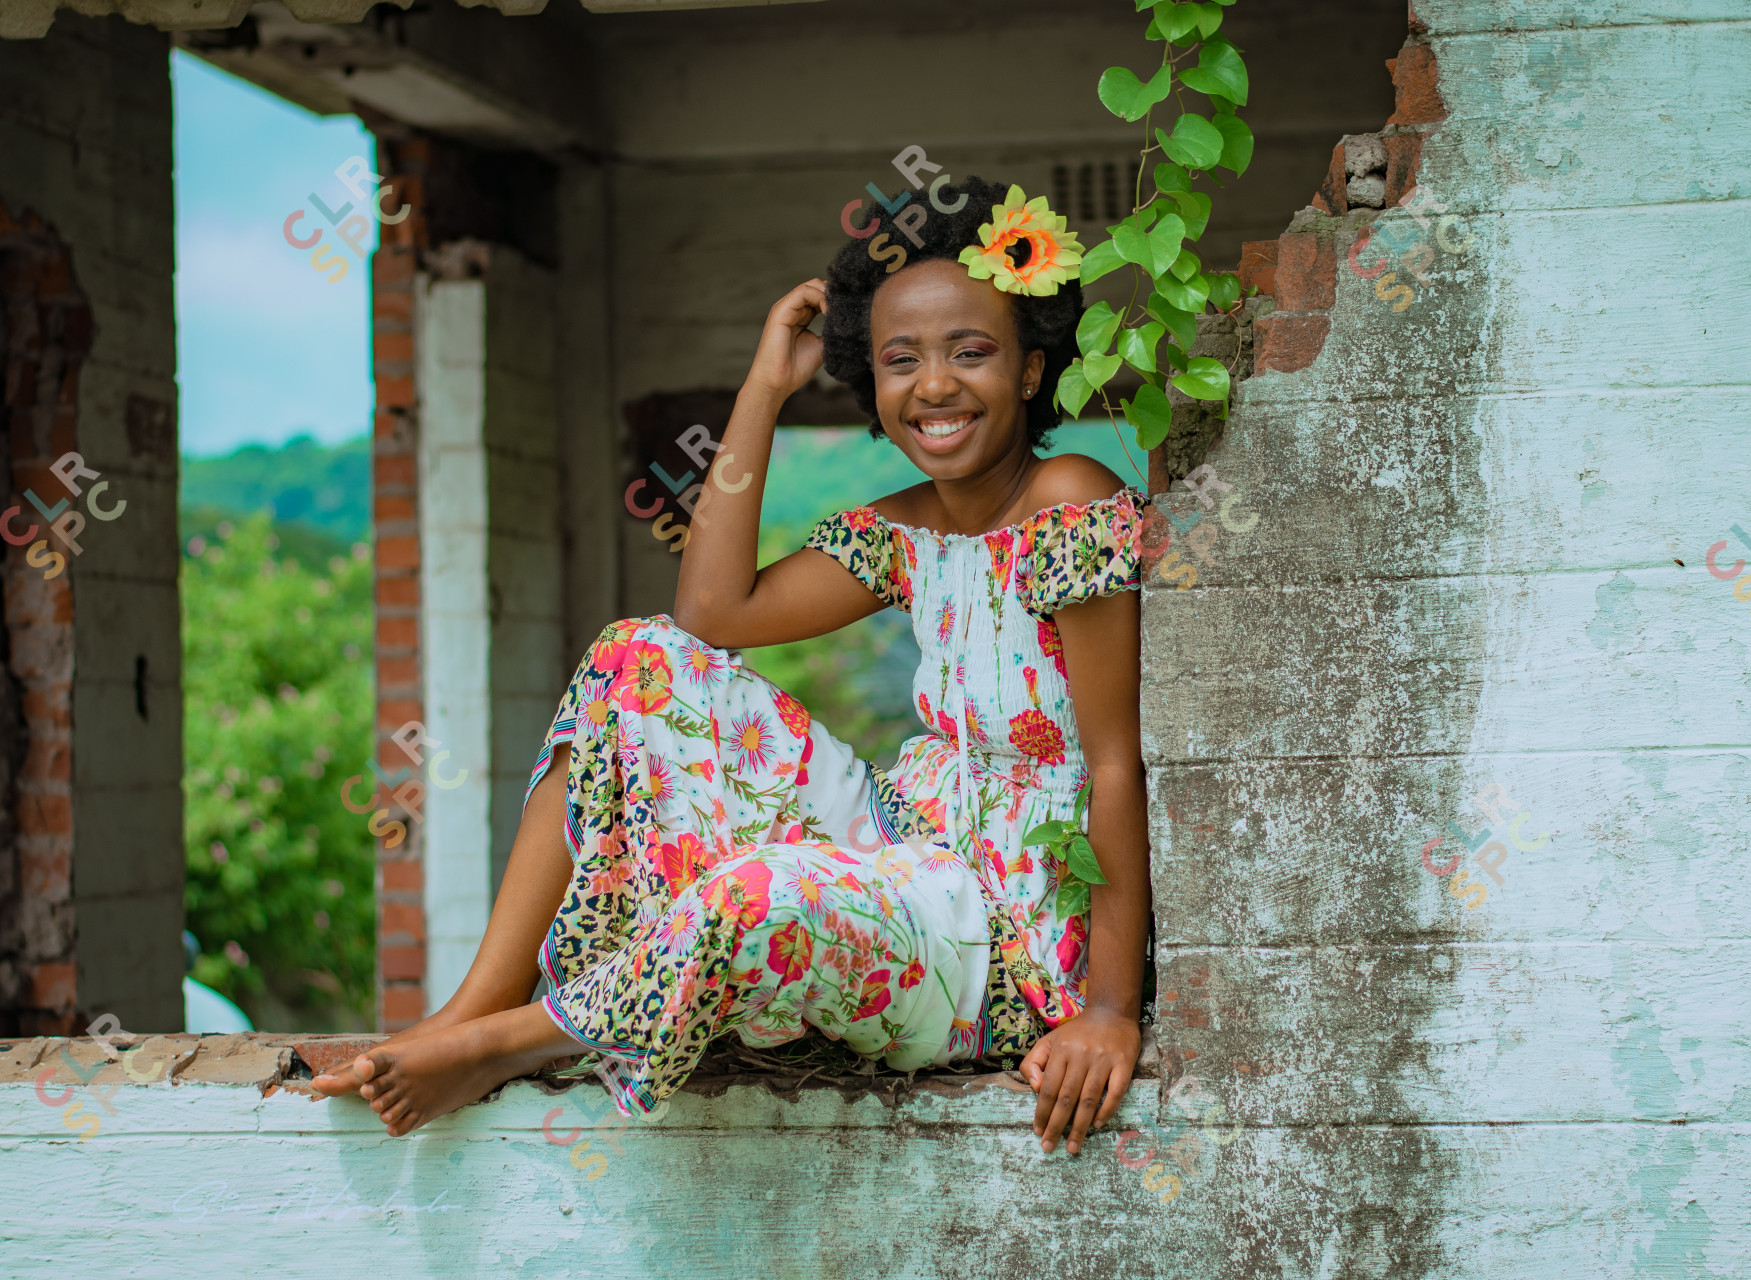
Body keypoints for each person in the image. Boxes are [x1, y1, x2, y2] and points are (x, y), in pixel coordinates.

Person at [314, 177, 1151, 1157]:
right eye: (901, 359)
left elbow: (1112, 762)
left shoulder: (1068, 500)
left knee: (755, 892)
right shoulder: (909, 529)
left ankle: (508, 1044)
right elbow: (712, 612)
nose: (934, 385)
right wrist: (764, 388)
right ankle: (475, 1003)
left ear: (1032, 367)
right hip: (908, 840)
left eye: (971, 352)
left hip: (1004, 941)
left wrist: (1108, 1009)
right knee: (636, 658)